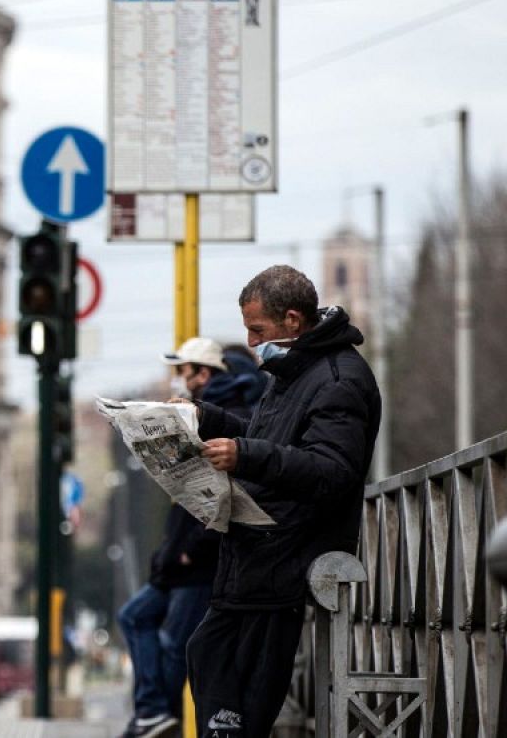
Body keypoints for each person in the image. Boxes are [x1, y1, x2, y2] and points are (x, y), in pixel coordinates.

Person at [185, 266, 380, 738]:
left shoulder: (339, 379)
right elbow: (269, 438)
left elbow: (332, 470)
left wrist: (245, 455)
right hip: (256, 553)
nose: (251, 343)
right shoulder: (293, 372)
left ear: (292, 320)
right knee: (208, 654)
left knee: (239, 701)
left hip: (287, 558)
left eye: (258, 330)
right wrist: (205, 418)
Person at [116, 337, 255, 738]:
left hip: (197, 562)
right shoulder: (201, 409)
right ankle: (153, 713)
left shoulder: (230, 414)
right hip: (179, 558)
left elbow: (228, 492)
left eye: (184, 371)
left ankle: (158, 715)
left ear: (204, 373)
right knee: (137, 618)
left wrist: (190, 551)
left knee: (176, 646)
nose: (179, 379)